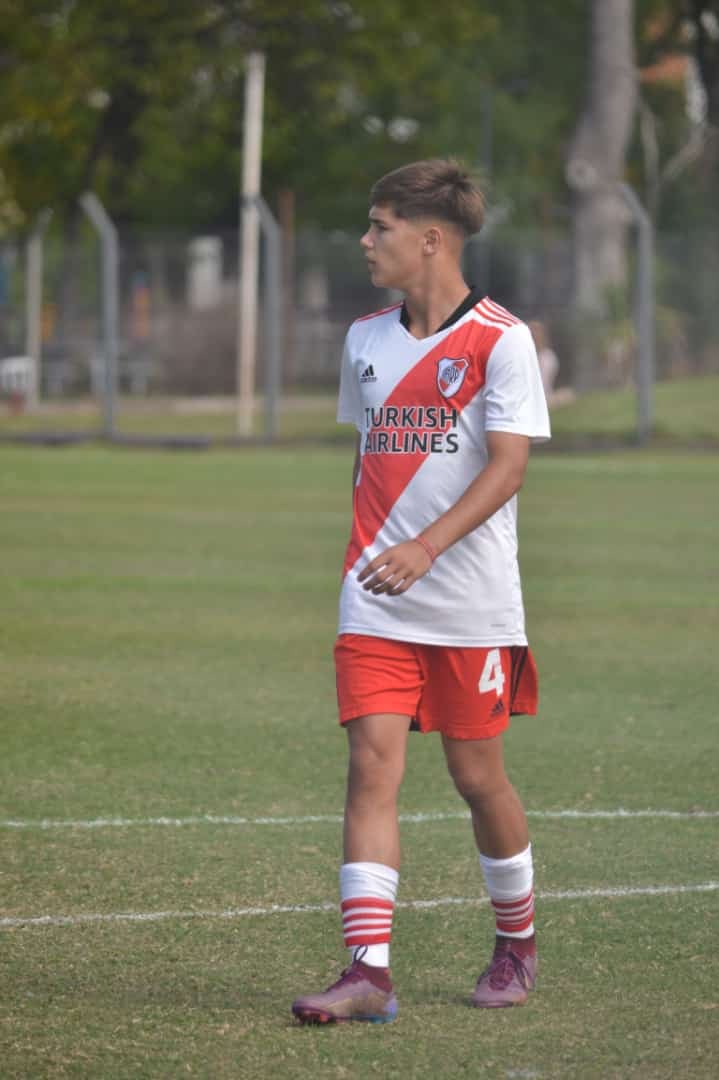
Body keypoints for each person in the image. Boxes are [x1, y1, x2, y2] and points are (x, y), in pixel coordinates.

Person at [292, 159, 551, 1025]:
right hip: (374, 599)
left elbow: (509, 466)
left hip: (470, 604)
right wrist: (378, 557)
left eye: (380, 227)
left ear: (429, 238)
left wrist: (426, 548)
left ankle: (515, 941)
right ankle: (368, 974)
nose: (365, 242)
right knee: (371, 766)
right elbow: (372, 463)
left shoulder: (500, 340)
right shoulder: (365, 338)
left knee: (477, 776)